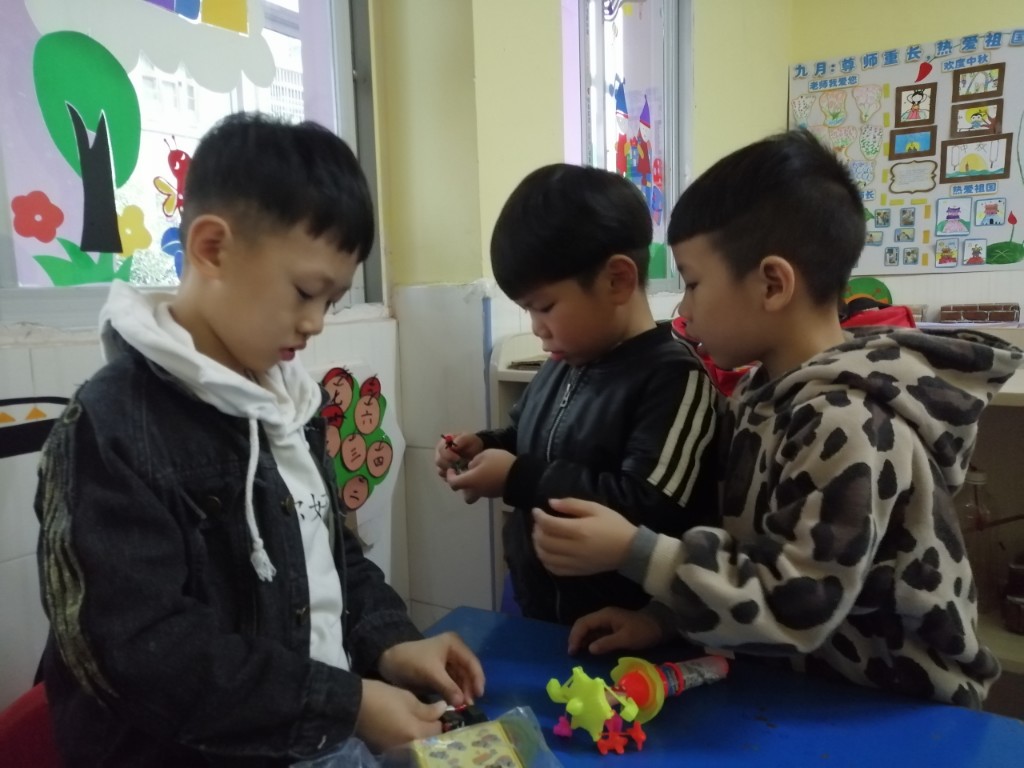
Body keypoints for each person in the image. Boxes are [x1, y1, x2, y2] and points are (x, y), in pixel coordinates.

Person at [34, 113, 484, 767]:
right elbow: (140, 653)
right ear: (212, 248)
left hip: (314, 736)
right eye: (305, 292)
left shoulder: (287, 405)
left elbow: (331, 557)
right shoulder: (111, 428)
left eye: (331, 301)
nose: (315, 323)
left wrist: (389, 641)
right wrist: (348, 704)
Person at [530, 129, 1023, 707]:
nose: (683, 308)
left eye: (693, 283)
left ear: (772, 284)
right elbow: (756, 553)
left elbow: (796, 603)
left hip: (900, 708)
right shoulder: (761, 396)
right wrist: (662, 618)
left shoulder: (848, 422)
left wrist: (635, 552)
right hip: (805, 689)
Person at [436, 163, 719, 625]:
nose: (537, 328)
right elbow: (526, 439)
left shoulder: (674, 379)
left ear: (617, 280)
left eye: (545, 307)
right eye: (527, 311)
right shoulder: (562, 363)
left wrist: (518, 478)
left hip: (621, 628)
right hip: (539, 609)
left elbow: (649, 507)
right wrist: (483, 446)